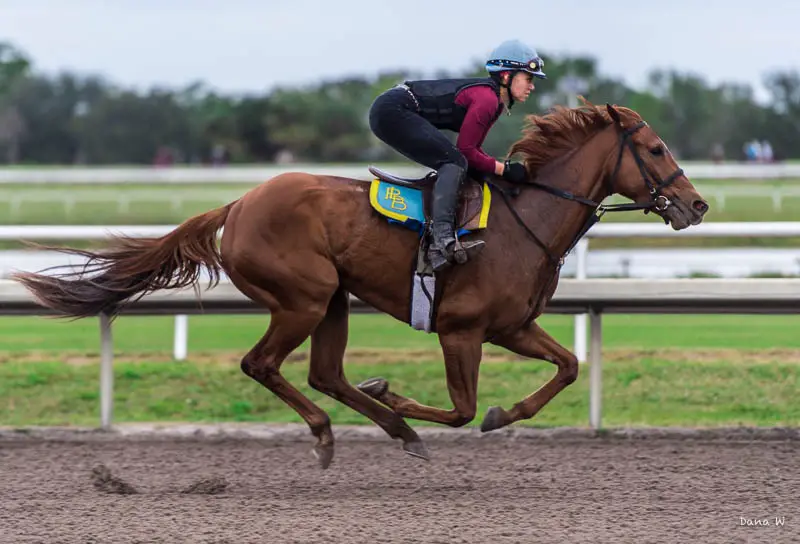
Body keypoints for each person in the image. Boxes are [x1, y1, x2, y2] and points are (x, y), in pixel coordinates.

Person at [368, 39, 547, 272]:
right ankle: (441, 240)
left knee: (459, 163)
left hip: (394, 108)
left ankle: (441, 233)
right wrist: (504, 169)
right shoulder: (487, 100)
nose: (532, 86)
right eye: (528, 78)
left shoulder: (494, 102)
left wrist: (503, 170)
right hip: (392, 110)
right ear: (506, 76)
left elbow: (474, 152)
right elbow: (466, 153)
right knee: (454, 162)